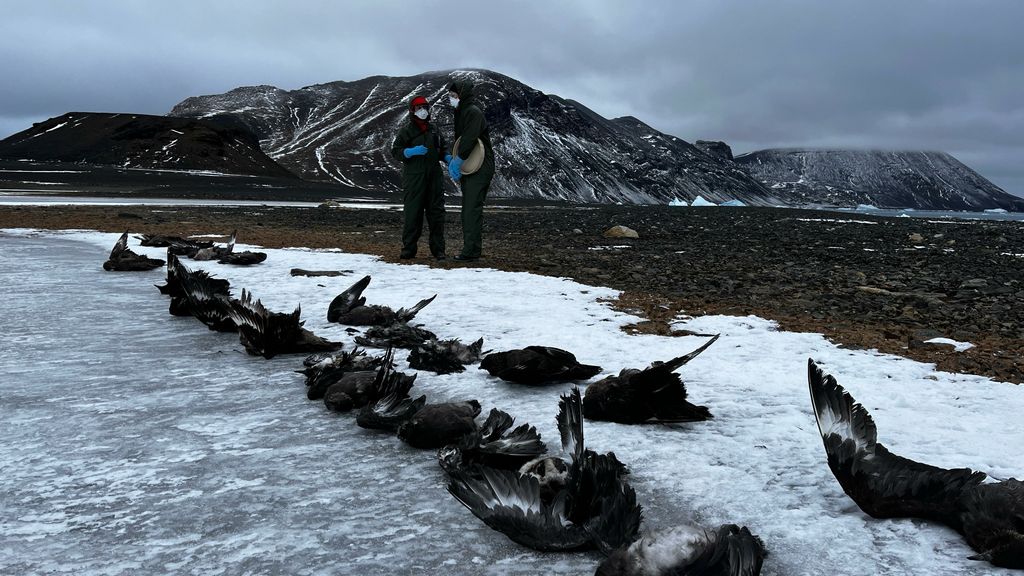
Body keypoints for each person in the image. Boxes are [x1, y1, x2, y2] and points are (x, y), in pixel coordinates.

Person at [391, 95, 447, 260]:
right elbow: (396, 151)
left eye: (425, 107)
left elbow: (442, 149)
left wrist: (448, 158)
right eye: (418, 108)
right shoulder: (406, 131)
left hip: (434, 178)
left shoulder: (434, 130)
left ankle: (438, 250)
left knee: (436, 214)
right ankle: (408, 249)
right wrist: (409, 152)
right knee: (412, 214)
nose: (422, 111)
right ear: (412, 110)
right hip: (414, 178)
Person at [446, 79, 495, 262]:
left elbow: (469, 138)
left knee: (471, 209)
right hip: (473, 165)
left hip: (480, 165)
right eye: (450, 96)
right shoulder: (462, 112)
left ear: (462, 94)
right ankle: (471, 249)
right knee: (469, 208)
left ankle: (471, 252)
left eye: (454, 95)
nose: (451, 99)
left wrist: (459, 159)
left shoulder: (472, 112)